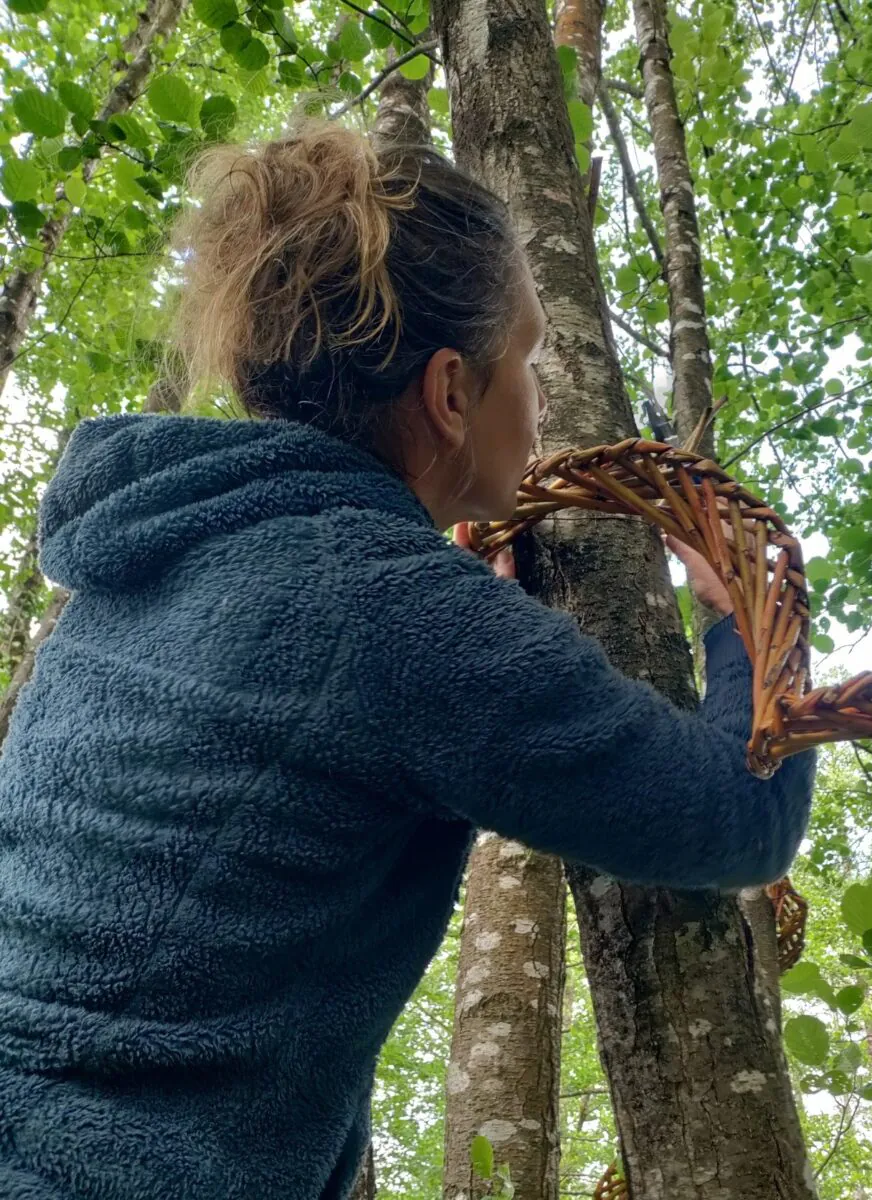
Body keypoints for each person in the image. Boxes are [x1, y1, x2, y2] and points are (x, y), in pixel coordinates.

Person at [0, 123, 815, 1200]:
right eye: (524, 356)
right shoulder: (393, 612)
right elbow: (739, 815)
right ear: (448, 392)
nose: (531, 392)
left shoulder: (143, 559)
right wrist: (749, 619)